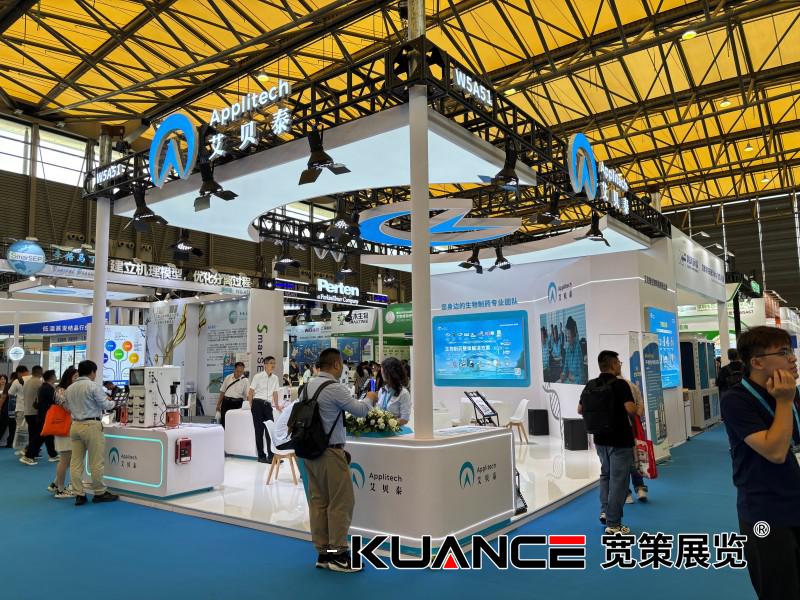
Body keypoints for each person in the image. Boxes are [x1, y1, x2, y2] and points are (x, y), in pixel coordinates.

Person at [721, 326, 800, 599]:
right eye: (784, 352)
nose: (792, 358)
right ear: (756, 362)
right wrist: (784, 402)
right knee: (780, 590)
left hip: (796, 499)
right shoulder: (736, 400)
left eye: (791, 350)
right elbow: (775, 451)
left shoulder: (790, 392)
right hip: (765, 510)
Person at [301, 348, 377, 572]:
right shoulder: (334, 388)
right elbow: (360, 410)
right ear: (336, 364)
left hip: (310, 451)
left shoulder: (308, 387)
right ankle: (338, 556)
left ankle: (324, 553)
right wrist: (371, 397)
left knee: (319, 502)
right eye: (341, 363)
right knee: (341, 502)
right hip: (330, 452)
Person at [578, 350, 637, 534]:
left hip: (600, 439)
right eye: (618, 362)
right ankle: (614, 524)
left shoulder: (590, 384)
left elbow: (580, 409)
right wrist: (635, 408)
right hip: (620, 439)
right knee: (619, 481)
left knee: (606, 475)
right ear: (612, 365)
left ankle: (605, 511)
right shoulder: (620, 384)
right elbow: (631, 409)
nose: (620, 365)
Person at [66, 360, 118, 505]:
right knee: (96, 461)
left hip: (75, 425)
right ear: (92, 372)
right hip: (91, 425)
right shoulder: (93, 386)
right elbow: (105, 404)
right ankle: (99, 492)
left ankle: (79, 494)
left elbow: (68, 407)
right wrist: (114, 403)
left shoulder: (70, 388)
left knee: (76, 462)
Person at [247, 356, 280, 463]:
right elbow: (250, 392)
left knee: (270, 430)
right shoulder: (258, 376)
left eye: (274, 363)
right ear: (265, 365)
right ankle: (261, 456)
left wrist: (277, 405)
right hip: (257, 404)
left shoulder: (275, 378)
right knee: (259, 431)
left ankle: (271, 456)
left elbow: (275, 392)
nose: (273, 365)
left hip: (268, 406)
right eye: (271, 363)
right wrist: (251, 406)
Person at [621, 376, 648, 503]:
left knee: (622, 461)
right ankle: (640, 488)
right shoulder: (631, 384)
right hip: (633, 427)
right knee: (635, 458)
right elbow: (640, 407)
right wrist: (636, 416)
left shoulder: (611, 386)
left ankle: (627, 493)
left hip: (620, 429)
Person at [23, 369, 58, 466]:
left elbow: (37, 403)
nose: (56, 377)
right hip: (45, 415)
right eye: (55, 375)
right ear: (52, 377)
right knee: (39, 437)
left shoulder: (43, 387)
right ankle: (28, 456)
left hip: (42, 415)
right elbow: (55, 401)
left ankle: (53, 454)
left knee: (48, 436)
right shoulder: (48, 388)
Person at [52, 366, 78, 498]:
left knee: (68, 459)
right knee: (65, 459)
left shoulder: (65, 390)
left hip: (68, 428)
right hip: (64, 428)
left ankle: (56, 484)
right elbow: (68, 408)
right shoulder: (61, 390)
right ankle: (60, 490)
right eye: (75, 377)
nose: (77, 379)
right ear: (68, 377)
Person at [367, 357, 411, 425]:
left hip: (396, 430)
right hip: (381, 429)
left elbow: (404, 419)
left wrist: (387, 424)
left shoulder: (404, 393)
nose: (382, 374)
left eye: (383, 372)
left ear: (390, 373)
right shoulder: (382, 390)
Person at [19, 366, 49, 465]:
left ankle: (32, 452)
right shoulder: (39, 383)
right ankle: (29, 453)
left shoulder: (27, 382)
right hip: (35, 413)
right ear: (41, 372)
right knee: (38, 435)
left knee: (32, 434)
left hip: (27, 411)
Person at [216, 362, 248, 428]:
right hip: (226, 402)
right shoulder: (228, 378)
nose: (239, 373)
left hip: (237, 404)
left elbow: (247, 396)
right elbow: (222, 392)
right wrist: (218, 404)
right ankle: (224, 434)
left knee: (235, 423)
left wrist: (247, 407)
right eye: (238, 371)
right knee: (224, 421)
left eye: (241, 371)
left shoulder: (245, 381)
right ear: (234, 369)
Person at [8, 365, 29, 454]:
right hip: (32, 409)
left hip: (21, 408)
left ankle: (23, 449)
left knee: (21, 429)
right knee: (31, 430)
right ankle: (31, 449)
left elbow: (10, 393)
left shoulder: (17, 381)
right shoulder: (34, 380)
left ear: (19, 373)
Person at [559, 317, 583, 384]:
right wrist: (563, 374)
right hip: (569, 381)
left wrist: (573, 378)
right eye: (566, 337)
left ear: (574, 336)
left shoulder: (578, 348)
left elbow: (582, 377)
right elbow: (565, 368)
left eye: (569, 337)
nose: (567, 340)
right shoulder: (568, 348)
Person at [0, 374, 10, 447]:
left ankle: (4, 442)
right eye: (1, 379)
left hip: (5, 408)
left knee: (4, 425)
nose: (3, 381)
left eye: (4, 379)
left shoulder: (8, 388)